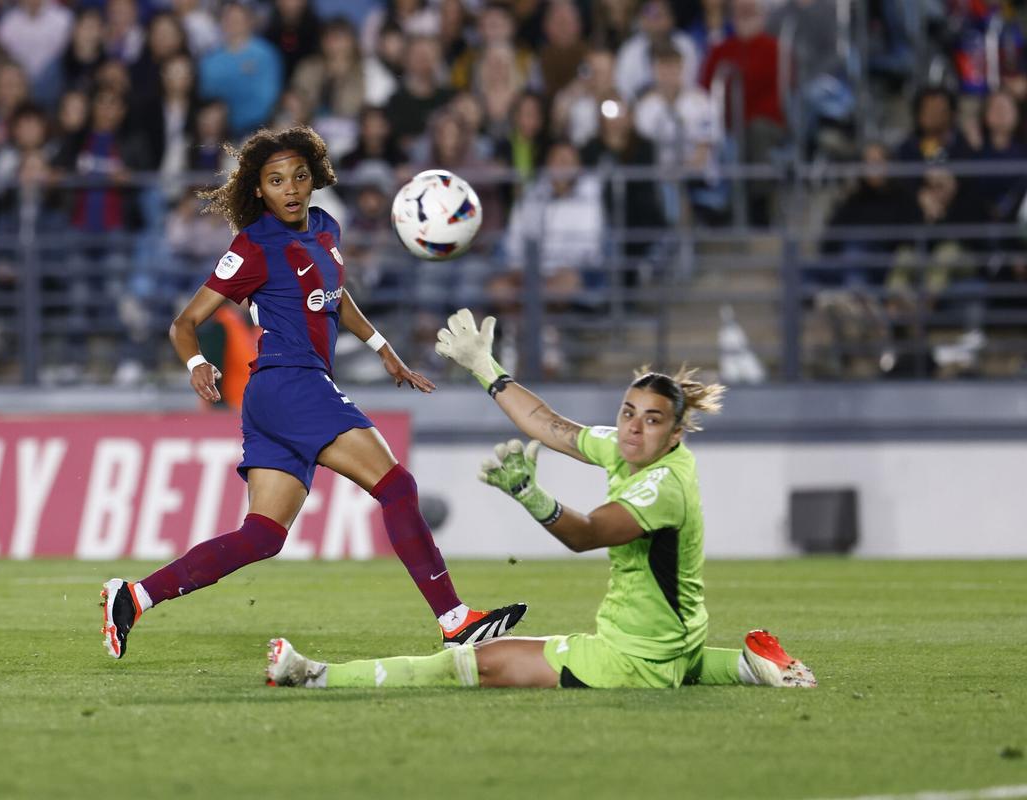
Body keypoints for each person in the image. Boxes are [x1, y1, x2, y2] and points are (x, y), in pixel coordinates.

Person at [100, 127, 527, 659]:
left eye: (299, 176)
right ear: (258, 189)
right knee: (396, 487)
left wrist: (381, 347)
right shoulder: (252, 245)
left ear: (315, 178)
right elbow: (185, 321)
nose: (291, 189)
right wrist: (196, 362)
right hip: (289, 381)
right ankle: (455, 619)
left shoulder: (325, 228)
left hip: (283, 391)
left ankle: (134, 596)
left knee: (262, 536)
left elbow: (333, 294)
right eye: (276, 180)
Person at [265, 309, 818, 690]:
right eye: (628, 413)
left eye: (651, 421)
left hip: (631, 659)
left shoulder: (660, 487)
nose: (632, 429)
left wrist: (532, 496)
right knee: (673, 657)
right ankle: (750, 665)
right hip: (672, 639)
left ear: (674, 434)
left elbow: (589, 534)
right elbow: (552, 427)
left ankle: (315, 674)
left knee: (472, 665)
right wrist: (487, 368)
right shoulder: (631, 449)